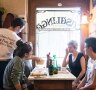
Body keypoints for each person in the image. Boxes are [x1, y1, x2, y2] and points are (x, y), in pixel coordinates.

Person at [0, 17, 25, 90]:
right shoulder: (17, 39)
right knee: (4, 85)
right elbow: (23, 53)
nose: (20, 31)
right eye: (21, 29)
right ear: (18, 27)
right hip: (5, 63)